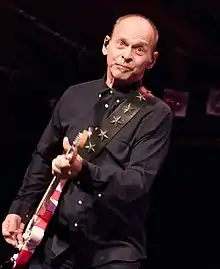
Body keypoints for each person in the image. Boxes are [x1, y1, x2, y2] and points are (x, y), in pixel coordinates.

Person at [2, 14, 172, 269]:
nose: (126, 55)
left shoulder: (156, 113)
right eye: (121, 44)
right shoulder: (74, 96)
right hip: (55, 244)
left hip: (113, 252)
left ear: (152, 60)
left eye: (139, 49)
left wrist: (84, 170)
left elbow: (137, 183)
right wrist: (20, 209)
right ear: (106, 45)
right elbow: (42, 158)